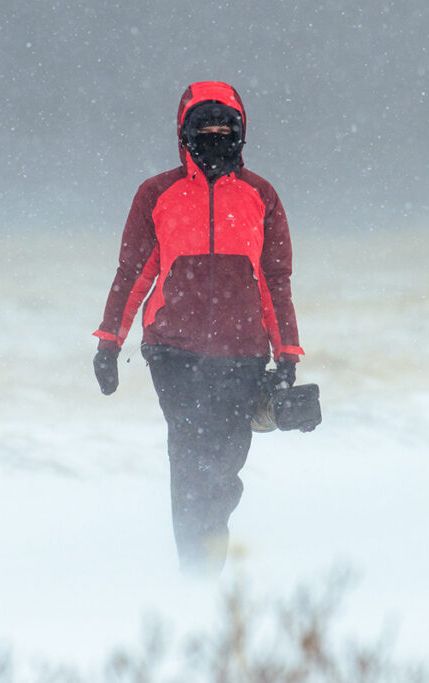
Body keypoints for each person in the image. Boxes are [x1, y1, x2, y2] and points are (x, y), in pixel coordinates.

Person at [92, 81, 304, 574]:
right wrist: (109, 343)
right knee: (190, 457)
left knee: (225, 466)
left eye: (223, 129)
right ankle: (198, 572)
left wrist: (287, 352)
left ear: (240, 132)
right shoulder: (157, 194)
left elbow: (275, 281)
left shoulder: (260, 196)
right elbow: (133, 275)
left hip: (243, 352)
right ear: (183, 133)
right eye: (202, 130)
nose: (213, 138)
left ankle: (205, 564)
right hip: (173, 350)